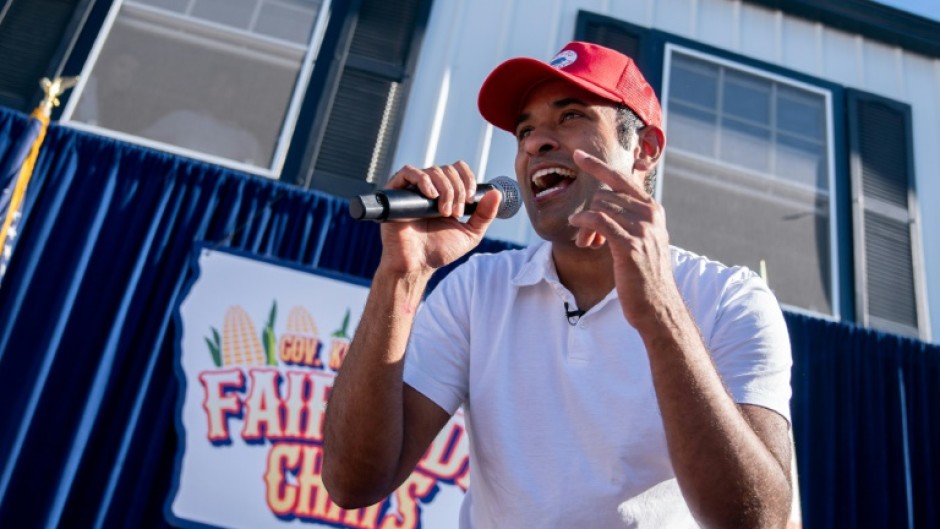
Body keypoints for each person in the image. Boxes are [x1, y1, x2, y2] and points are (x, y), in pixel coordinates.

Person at [323, 41, 793, 528]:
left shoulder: (732, 300)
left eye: (570, 117)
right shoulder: (477, 290)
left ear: (644, 149)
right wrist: (403, 275)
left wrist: (660, 311)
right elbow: (352, 484)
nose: (534, 143)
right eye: (524, 129)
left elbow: (757, 522)